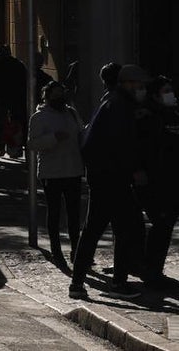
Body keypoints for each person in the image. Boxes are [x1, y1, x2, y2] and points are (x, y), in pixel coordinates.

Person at [68, 63, 151, 300]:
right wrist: (134, 169)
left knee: (96, 229)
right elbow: (121, 143)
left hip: (104, 176)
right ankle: (117, 284)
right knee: (122, 228)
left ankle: (79, 283)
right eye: (138, 84)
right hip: (113, 177)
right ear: (127, 83)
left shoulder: (113, 102)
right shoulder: (119, 105)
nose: (141, 88)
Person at [28, 80, 85, 266]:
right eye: (55, 94)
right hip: (51, 172)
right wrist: (53, 138)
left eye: (61, 93)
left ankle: (77, 250)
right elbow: (32, 143)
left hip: (73, 170)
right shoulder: (39, 117)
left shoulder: (72, 113)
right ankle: (56, 250)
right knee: (54, 212)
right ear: (47, 96)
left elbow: (81, 133)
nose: (59, 97)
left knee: (74, 214)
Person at [135, 76, 179, 288]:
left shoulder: (173, 114)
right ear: (155, 95)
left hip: (172, 179)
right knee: (160, 224)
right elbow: (142, 147)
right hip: (156, 179)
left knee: (166, 225)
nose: (171, 95)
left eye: (171, 90)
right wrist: (139, 170)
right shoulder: (148, 117)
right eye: (166, 91)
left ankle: (154, 268)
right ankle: (150, 270)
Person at [0, 46, 28, 158]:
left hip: (2, 98)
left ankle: (1, 147)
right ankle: (16, 147)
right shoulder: (19, 65)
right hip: (16, 98)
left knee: (0, 123)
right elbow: (24, 81)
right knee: (16, 123)